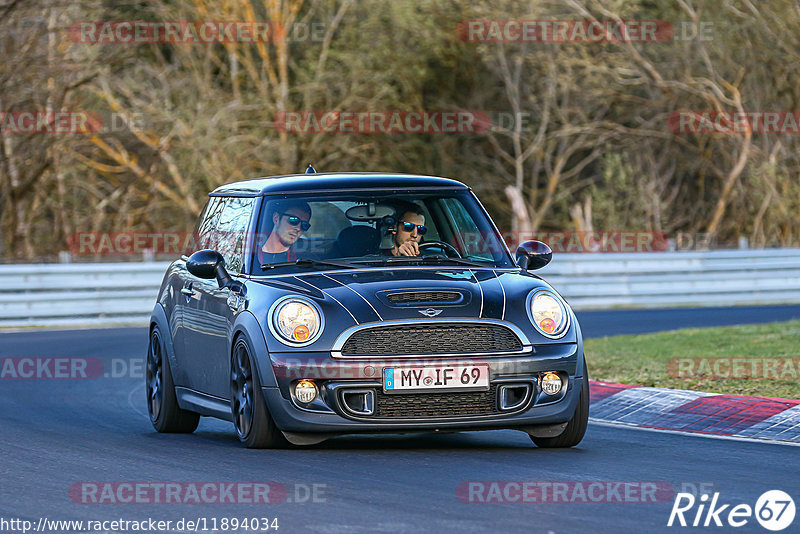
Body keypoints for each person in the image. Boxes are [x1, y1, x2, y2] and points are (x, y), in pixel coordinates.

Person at [258, 200, 312, 264]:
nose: (298, 228)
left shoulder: (307, 261)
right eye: (294, 220)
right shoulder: (250, 257)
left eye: (304, 225)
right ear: (276, 218)